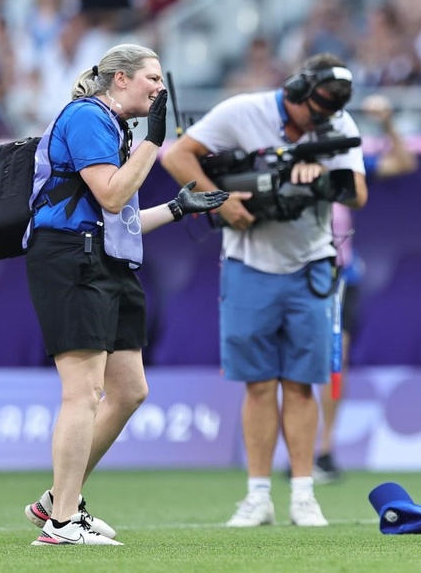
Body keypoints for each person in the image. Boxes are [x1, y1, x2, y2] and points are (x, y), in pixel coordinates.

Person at [24, 44, 228, 546]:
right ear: (119, 80)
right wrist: (154, 143)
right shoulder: (87, 117)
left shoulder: (117, 129)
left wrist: (178, 208)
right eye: (152, 78)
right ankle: (64, 523)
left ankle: (56, 501)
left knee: (130, 389)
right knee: (84, 391)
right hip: (71, 258)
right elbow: (113, 193)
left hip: (107, 261)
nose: (161, 89)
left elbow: (122, 218)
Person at [160, 54, 368, 528]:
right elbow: (176, 155)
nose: (319, 120)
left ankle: (302, 494)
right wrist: (222, 199)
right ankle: (257, 495)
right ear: (295, 93)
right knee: (257, 385)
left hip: (311, 263)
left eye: (327, 114)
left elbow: (357, 192)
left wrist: (321, 176)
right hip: (248, 261)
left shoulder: (338, 124)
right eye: (314, 110)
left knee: (300, 383)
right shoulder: (242, 112)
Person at [313, 93, 419, 483]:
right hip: (295, 271)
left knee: (334, 363)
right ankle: (299, 447)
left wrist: (388, 122)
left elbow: (405, 162)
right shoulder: (288, 165)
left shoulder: (348, 170)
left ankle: (323, 450)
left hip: (340, 276)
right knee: (298, 364)